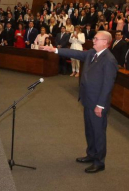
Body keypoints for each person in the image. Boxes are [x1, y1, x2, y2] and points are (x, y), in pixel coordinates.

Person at [40, 31, 118, 173]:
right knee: (89, 130)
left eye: (96, 38)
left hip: (97, 104)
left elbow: (108, 85)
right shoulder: (92, 53)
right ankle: (91, 154)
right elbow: (74, 53)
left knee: (98, 133)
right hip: (87, 100)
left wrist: (100, 105)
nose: (93, 40)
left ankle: (99, 162)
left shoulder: (109, 59)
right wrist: (54, 49)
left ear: (105, 42)